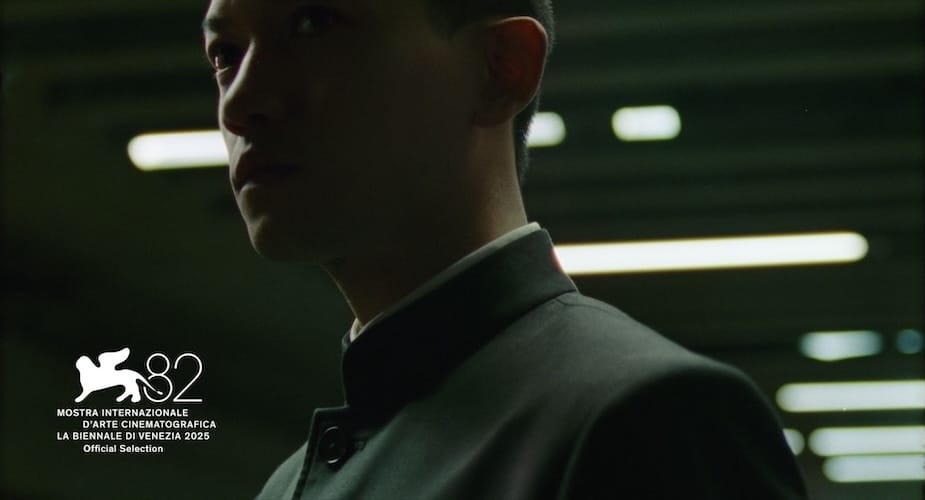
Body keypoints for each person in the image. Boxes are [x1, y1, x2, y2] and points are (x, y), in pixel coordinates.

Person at [201, 0, 808, 498]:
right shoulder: (284, 488)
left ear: (502, 67)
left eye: (314, 24)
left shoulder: (653, 422)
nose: (239, 103)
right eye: (226, 54)